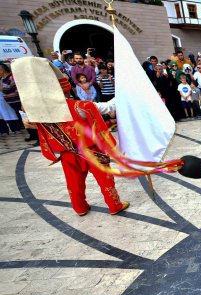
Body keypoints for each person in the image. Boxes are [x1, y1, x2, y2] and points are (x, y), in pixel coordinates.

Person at [14, 57, 129, 215]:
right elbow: (108, 106)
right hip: (91, 149)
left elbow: (32, 125)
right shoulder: (80, 106)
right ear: (65, 88)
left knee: (74, 182)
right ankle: (114, 205)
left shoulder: (39, 115)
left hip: (67, 153)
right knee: (105, 179)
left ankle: (80, 207)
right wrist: (126, 93)